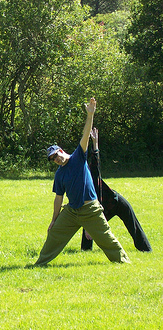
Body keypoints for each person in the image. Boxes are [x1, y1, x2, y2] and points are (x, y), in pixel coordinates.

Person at [35, 98, 130, 266]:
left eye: (56, 155)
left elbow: (85, 135)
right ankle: (40, 263)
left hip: (90, 210)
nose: (56, 159)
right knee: (54, 233)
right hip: (72, 211)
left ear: (62, 151)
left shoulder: (78, 157)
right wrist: (54, 219)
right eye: (52, 159)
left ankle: (123, 261)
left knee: (106, 238)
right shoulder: (59, 175)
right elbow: (58, 198)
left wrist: (90, 115)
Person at [80, 127, 152, 252]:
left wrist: (95, 143)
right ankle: (85, 250)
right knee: (88, 220)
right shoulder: (78, 186)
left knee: (132, 224)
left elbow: (95, 159)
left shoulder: (92, 175)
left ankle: (145, 249)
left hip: (115, 202)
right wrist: (88, 227)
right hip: (99, 208)